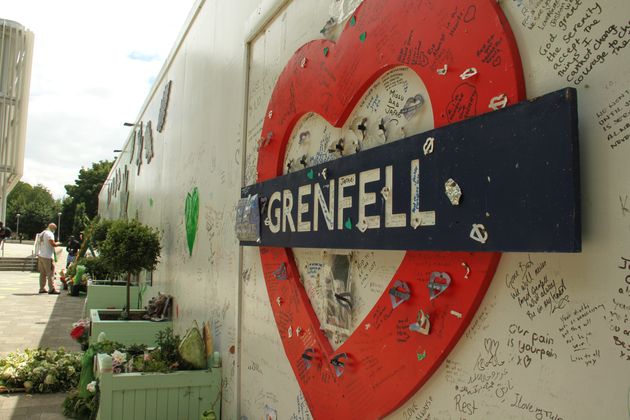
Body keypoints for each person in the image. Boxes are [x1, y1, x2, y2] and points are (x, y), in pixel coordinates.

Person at [37, 223, 62, 294]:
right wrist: (58, 243)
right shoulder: (50, 234)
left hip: (41, 255)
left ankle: (42, 288)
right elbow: (52, 243)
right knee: (50, 273)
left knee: (42, 273)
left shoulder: (42, 233)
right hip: (47, 256)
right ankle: (52, 289)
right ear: (53, 228)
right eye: (55, 229)